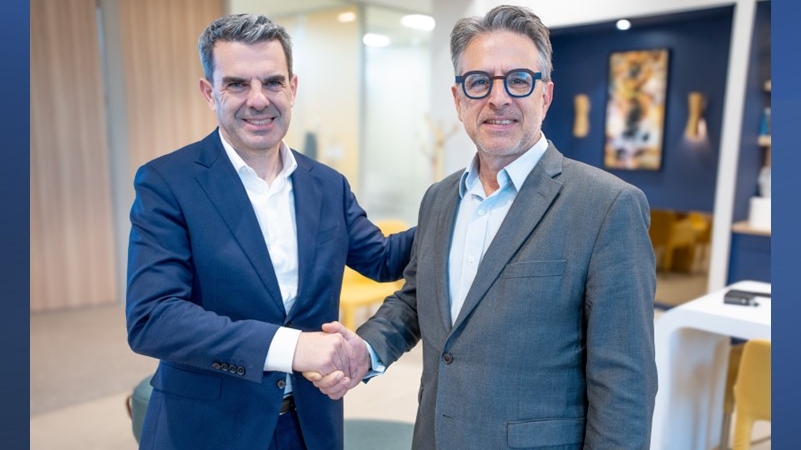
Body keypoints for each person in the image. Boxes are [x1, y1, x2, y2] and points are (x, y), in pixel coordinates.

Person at [307, 5, 658, 449]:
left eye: (518, 80)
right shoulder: (439, 198)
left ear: (545, 95)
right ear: (459, 100)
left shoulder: (607, 206)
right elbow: (416, 300)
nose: (498, 98)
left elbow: (625, 386)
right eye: (479, 82)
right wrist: (368, 349)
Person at [125, 13, 414, 450]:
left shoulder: (327, 185)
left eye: (273, 82)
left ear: (292, 88)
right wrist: (292, 347)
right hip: (210, 428)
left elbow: (384, 258)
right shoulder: (168, 183)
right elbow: (153, 318)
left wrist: (458, 204)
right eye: (237, 84)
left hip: (310, 426)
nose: (258, 100)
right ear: (209, 92)